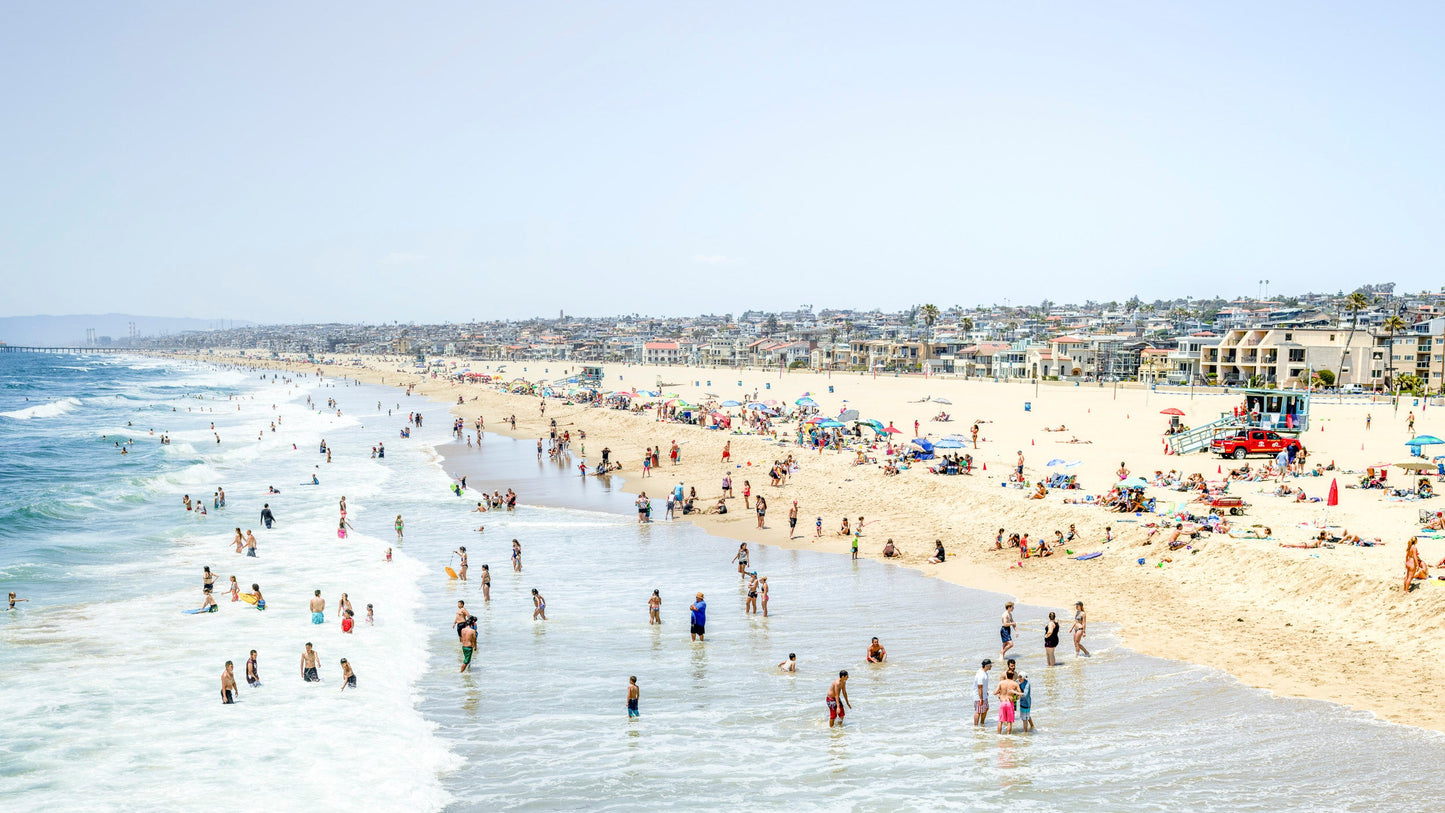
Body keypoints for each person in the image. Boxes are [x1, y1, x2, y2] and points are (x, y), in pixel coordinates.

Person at [994, 670, 1021, 734]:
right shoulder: (1015, 683)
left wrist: (1000, 692)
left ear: (1006, 675)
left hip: (1002, 702)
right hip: (1010, 703)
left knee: (1000, 721)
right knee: (1009, 721)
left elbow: (995, 693)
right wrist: (1017, 697)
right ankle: (1008, 736)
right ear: (1013, 676)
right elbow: (1019, 693)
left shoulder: (1001, 683)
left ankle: (999, 735)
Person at [973, 659, 992, 725]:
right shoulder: (981, 675)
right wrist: (980, 698)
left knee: (986, 708)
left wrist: (986, 692)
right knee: (978, 711)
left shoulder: (984, 672)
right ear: (986, 666)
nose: (991, 666)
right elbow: (979, 687)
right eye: (990, 665)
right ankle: (976, 726)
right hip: (979, 696)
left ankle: (982, 723)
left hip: (984, 695)